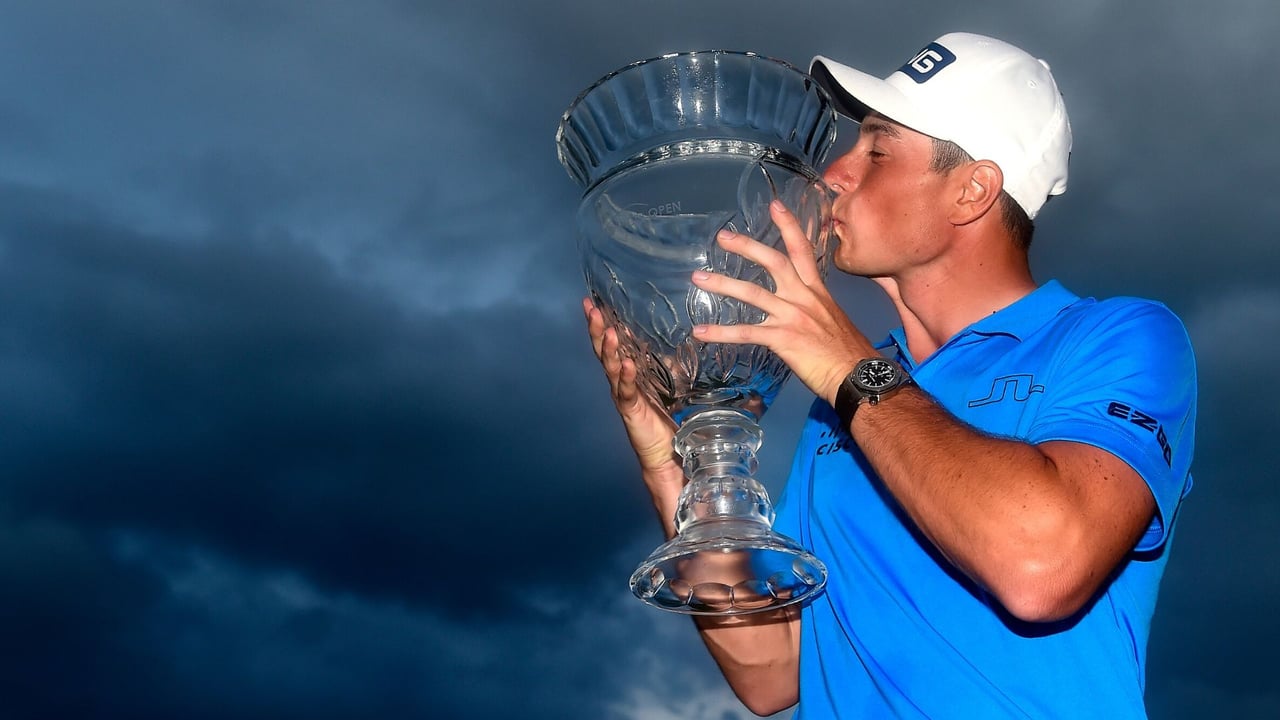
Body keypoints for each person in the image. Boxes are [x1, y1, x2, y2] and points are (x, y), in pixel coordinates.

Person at [584, 32, 1196, 718]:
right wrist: (673, 457)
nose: (835, 174)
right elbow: (772, 671)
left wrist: (851, 368)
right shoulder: (842, 407)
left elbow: (1041, 566)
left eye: (875, 151)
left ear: (971, 191)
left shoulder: (1118, 337)